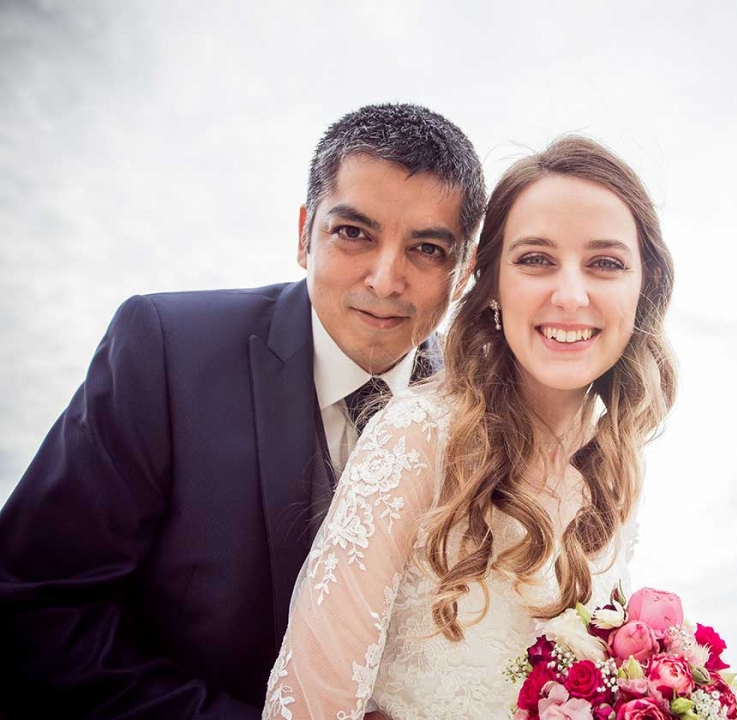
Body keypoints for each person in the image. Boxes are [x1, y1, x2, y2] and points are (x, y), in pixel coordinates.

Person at [0, 103, 485, 719]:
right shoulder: (165, 350)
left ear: (464, 272)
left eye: (427, 248)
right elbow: (35, 610)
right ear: (304, 234)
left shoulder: (481, 417)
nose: (386, 279)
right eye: (354, 233)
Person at [263, 136, 678, 719]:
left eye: (605, 264)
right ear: (489, 282)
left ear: (645, 285)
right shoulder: (416, 436)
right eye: (535, 259)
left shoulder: (615, 463)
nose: (570, 295)